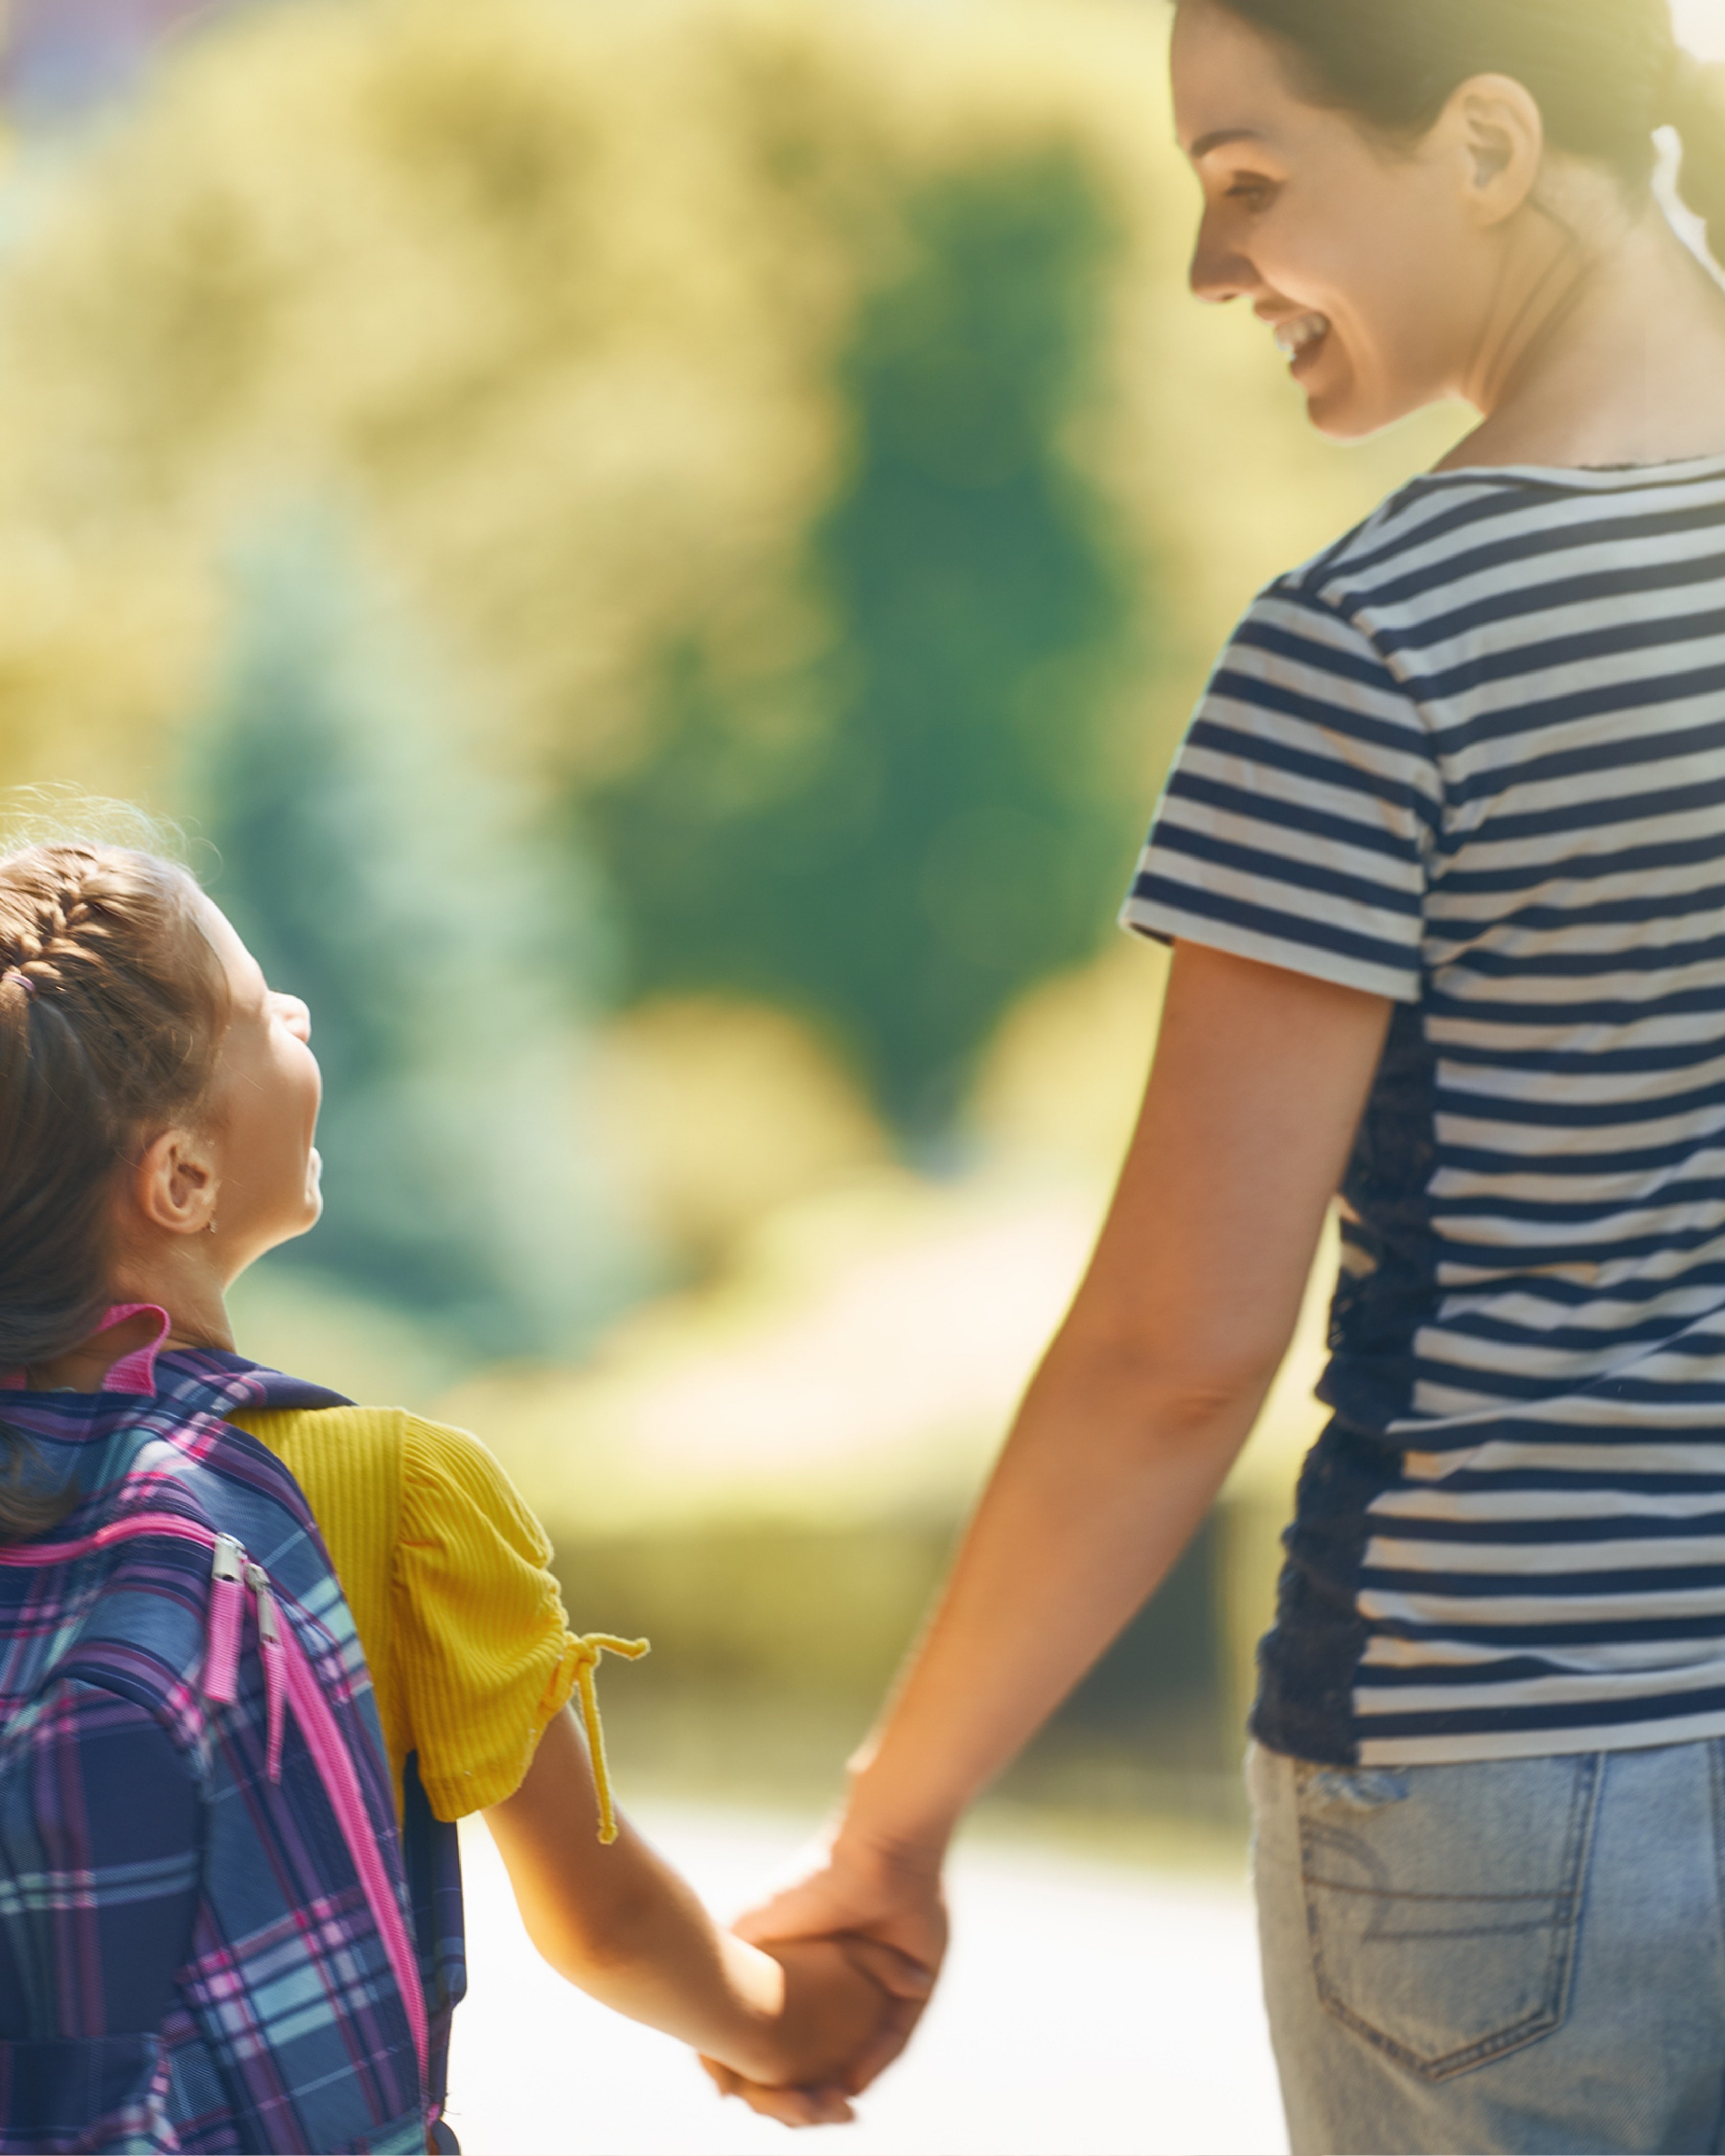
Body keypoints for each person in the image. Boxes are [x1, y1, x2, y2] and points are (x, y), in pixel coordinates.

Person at [715, 4, 1725, 2150]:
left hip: (1503, 1786)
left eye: (1249, 182)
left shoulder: (1378, 646)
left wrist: (888, 1827)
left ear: (1481, 139)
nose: (1205, 269)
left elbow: (1179, 1347)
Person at [0, 836, 911, 2148]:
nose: (300, 1015)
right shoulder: (384, 1493)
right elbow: (601, 1925)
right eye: (260, 1012)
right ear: (182, 1178)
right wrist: (789, 2025)